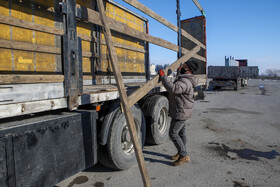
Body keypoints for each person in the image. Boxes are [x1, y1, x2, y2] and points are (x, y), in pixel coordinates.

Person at [158, 61, 198, 166]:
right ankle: (181, 153)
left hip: (181, 111)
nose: (181, 67)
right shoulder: (186, 79)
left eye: (184, 66)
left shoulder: (184, 81)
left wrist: (163, 77)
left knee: (173, 133)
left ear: (188, 69)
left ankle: (184, 155)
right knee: (181, 133)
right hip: (184, 110)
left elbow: (173, 89)